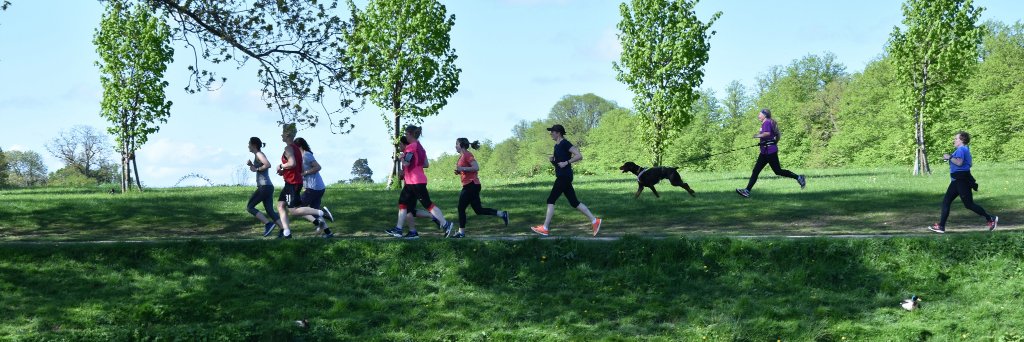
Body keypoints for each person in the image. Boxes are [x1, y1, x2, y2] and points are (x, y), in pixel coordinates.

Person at [531, 124, 602, 236]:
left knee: (551, 200)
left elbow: (579, 155)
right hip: (562, 175)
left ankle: (545, 228)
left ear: (558, 133)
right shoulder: (556, 146)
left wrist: (567, 162)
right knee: (574, 202)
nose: (551, 134)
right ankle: (595, 221)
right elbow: (559, 164)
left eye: (552, 132)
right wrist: (553, 161)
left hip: (565, 176)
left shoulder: (565, 143)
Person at [384, 125, 454, 239]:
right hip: (412, 182)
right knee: (404, 204)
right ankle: (401, 230)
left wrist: (401, 157)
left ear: (411, 134)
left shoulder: (411, 147)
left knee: (428, 204)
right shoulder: (420, 147)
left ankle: (446, 224)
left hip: (415, 182)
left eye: (406, 134)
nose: (405, 136)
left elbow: (406, 163)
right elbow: (425, 164)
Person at [271, 124, 333, 239]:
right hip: (292, 181)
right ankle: (287, 232)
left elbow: (292, 163)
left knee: (294, 210)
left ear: (287, 134)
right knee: (280, 205)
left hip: (293, 183)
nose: (281, 135)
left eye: (283, 133)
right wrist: (284, 171)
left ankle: (322, 213)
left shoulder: (289, 148)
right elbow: (297, 168)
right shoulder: (296, 149)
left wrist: (280, 166)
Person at [928, 131, 998, 233]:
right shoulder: (964, 150)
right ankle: (941, 226)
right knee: (947, 202)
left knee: (968, 204)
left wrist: (949, 157)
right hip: (958, 180)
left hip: (961, 181)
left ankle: (990, 218)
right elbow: (966, 163)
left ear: (962, 140)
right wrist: (951, 158)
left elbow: (959, 163)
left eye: (956, 139)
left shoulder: (961, 150)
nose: (954, 140)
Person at [735, 108, 806, 198]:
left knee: (777, 171)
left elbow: (767, 133)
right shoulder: (767, 122)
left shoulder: (767, 122)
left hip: (769, 152)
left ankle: (799, 177)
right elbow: (777, 135)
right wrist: (772, 142)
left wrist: (757, 135)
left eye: (760, 114)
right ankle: (747, 191)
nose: (758, 116)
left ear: (764, 115)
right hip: (765, 152)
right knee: (757, 171)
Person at [452, 138, 510, 238]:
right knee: (478, 210)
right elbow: (468, 169)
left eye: (456, 144)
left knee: (461, 208)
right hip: (471, 185)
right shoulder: (462, 156)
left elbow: (476, 167)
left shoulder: (467, 155)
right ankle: (502, 214)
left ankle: (461, 233)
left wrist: (462, 168)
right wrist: (459, 172)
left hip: (471, 185)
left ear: (461, 145)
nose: (455, 146)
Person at [294, 137, 334, 238]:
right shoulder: (301, 156)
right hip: (316, 187)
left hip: (314, 187)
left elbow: (318, 167)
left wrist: (304, 173)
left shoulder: (306, 155)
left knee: (297, 208)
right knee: (314, 212)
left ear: (299, 146)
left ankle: (324, 214)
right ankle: (328, 233)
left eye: (295, 147)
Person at [245, 137, 280, 236]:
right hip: (268, 186)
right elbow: (254, 169)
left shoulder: (259, 154)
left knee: (250, 207)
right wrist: (251, 165)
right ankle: (284, 230)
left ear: (254, 145)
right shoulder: (257, 155)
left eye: (249, 144)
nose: (248, 146)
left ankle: (268, 224)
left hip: (264, 187)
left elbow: (268, 165)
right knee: (270, 211)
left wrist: (258, 168)